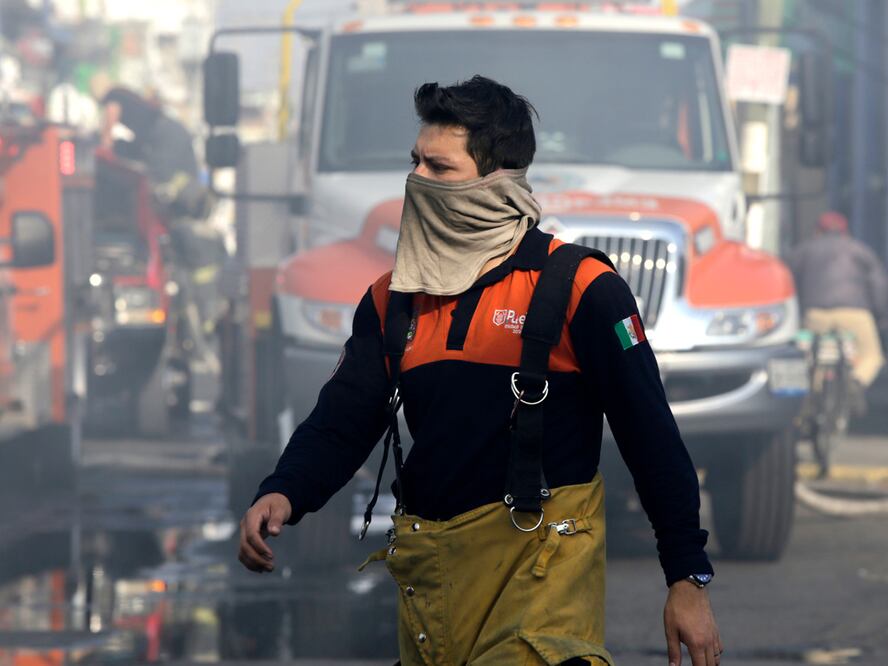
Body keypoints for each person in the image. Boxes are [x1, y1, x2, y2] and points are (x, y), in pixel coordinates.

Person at [239, 76, 721, 666]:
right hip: (434, 585)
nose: (418, 181)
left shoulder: (580, 289)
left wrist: (686, 579)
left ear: (499, 183)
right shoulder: (394, 300)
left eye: (440, 169)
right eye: (415, 162)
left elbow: (651, 436)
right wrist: (285, 491)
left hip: (545, 581)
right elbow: (344, 418)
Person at [787, 210, 887, 391]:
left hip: (816, 314)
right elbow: (878, 285)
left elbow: (788, 284)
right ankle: (856, 383)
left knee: (812, 359)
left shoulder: (802, 252)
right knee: (872, 356)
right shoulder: (860, 250)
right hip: (855, 314)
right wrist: (881, 317)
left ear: (817, 231)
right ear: (846, 231)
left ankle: (814, 394)